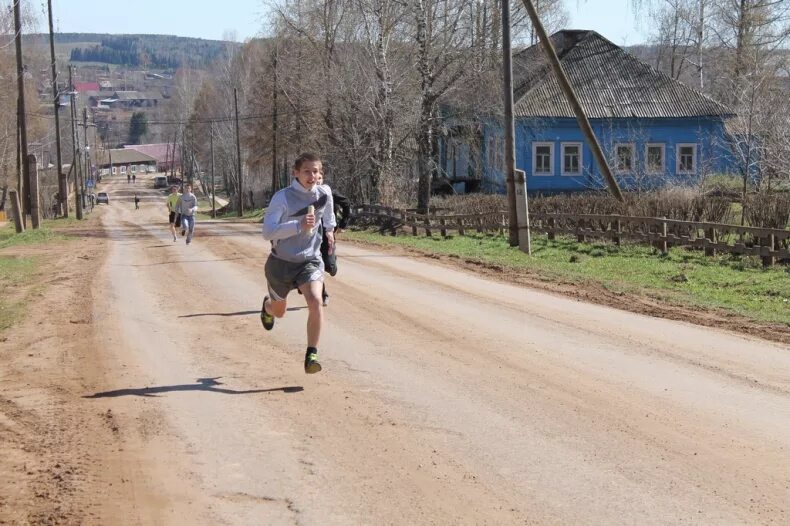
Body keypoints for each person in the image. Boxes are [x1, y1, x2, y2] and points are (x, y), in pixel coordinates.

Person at [260, 152, 335, 374]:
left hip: (309, 260)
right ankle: (267, 307)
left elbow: (328, 213)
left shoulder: (324, 192)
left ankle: (312, 354)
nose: (312, 176)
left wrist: (330, 231)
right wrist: (298, 224)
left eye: (316, 171)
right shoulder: (282, 197)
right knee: (279, 311)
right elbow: (267, 232)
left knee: (315, 301)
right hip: (281, 262)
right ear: (295, 173)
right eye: (307, 171)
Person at [315, 172, 351, 307]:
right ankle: (322, 294)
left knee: (330, 268)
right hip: (310, 237)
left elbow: (347, 203)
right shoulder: (305, 196)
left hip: (327, 235)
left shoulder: (330, 193)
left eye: (320, 178)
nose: (317, 181)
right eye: (315, 178)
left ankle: (332, 261)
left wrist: (342, 224)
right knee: (315, 267)